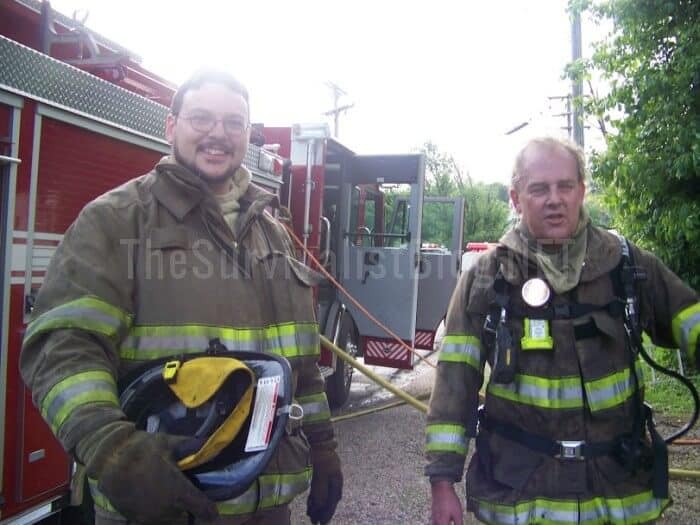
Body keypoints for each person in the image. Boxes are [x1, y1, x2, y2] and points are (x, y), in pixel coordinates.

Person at [20, 69, 343, 525]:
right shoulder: (116, 221)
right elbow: (60, 349)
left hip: (267, 505)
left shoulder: (272, 231)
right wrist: (112, 451)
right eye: (201, 118)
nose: (218, 133)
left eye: (234, 123)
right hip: (162, 505)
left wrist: (323, 444)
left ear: (246, 136)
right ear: (171, 127)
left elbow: (299, 362)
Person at [425, 137, 699, 525]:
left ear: (581, 191)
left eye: (565, 186)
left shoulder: (626, 265)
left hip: (617, 495)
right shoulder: (488, 277)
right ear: (516, 198)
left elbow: (690, 320)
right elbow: (454, 381)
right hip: (522, 497)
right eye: (539, 189)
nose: (554, 199)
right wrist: (442, 482)